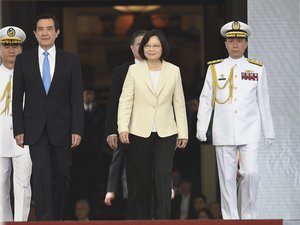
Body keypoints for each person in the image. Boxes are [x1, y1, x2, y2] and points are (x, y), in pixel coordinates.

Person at [196, 21, 275, 219]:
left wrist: (269, 131)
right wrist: (202, 127)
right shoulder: (215, 68)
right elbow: (206, 100)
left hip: (250, 129)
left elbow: (263, 102)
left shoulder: (257, 69)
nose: (235, 45)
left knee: (250, 173)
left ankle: (249, 216)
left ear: (246, 43)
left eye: (240, 40)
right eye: (231, 40)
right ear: (225, 44)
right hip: (223, 130)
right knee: (226, 178)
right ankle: (230, 217)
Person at [12, 13, 84, 221]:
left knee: (62, 175)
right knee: (41, 174)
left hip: (63, 128)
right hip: (34, 128)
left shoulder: (70, 60)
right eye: (40, 29)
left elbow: (76, 99)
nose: (45, 33)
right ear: (35, 33)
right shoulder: (23, 60)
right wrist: (19, 129)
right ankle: (45, 219)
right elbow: (17, 98)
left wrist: (77, 129)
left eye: (49, 28)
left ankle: (56, 216)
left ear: (57, 32)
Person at [118, 29, 188, 219]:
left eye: (155, 45)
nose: (151, 49)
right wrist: (123, 127)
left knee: (162, 174)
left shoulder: (173, 70)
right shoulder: (134, 70)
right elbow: (126, 101)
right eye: (147, 45)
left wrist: (183, 132)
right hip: (139, 130)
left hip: (167, 131)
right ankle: (144, 219)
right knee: (142, 177)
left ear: (163, 47)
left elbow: (179, 103)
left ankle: (163, 218)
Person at [104, 30, 147, 219]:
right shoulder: (121, 71)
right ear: (132, 48)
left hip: (155, 130)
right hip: (127, 131)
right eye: (139, 43)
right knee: (129, 176)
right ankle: (133, 216)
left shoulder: (163, 68)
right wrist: (111, 131)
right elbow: (113, 103)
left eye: (147, 43)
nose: (143, 47)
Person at [0, 26, 32, 222]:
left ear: (21, 49)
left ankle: (20, 223)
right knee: (0, 186)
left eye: (15, 46)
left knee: (22, 186)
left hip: (25, 138)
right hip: (0, 137)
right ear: (1, 49)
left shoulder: (32, 75)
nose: (11, 50)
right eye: (6, 45)